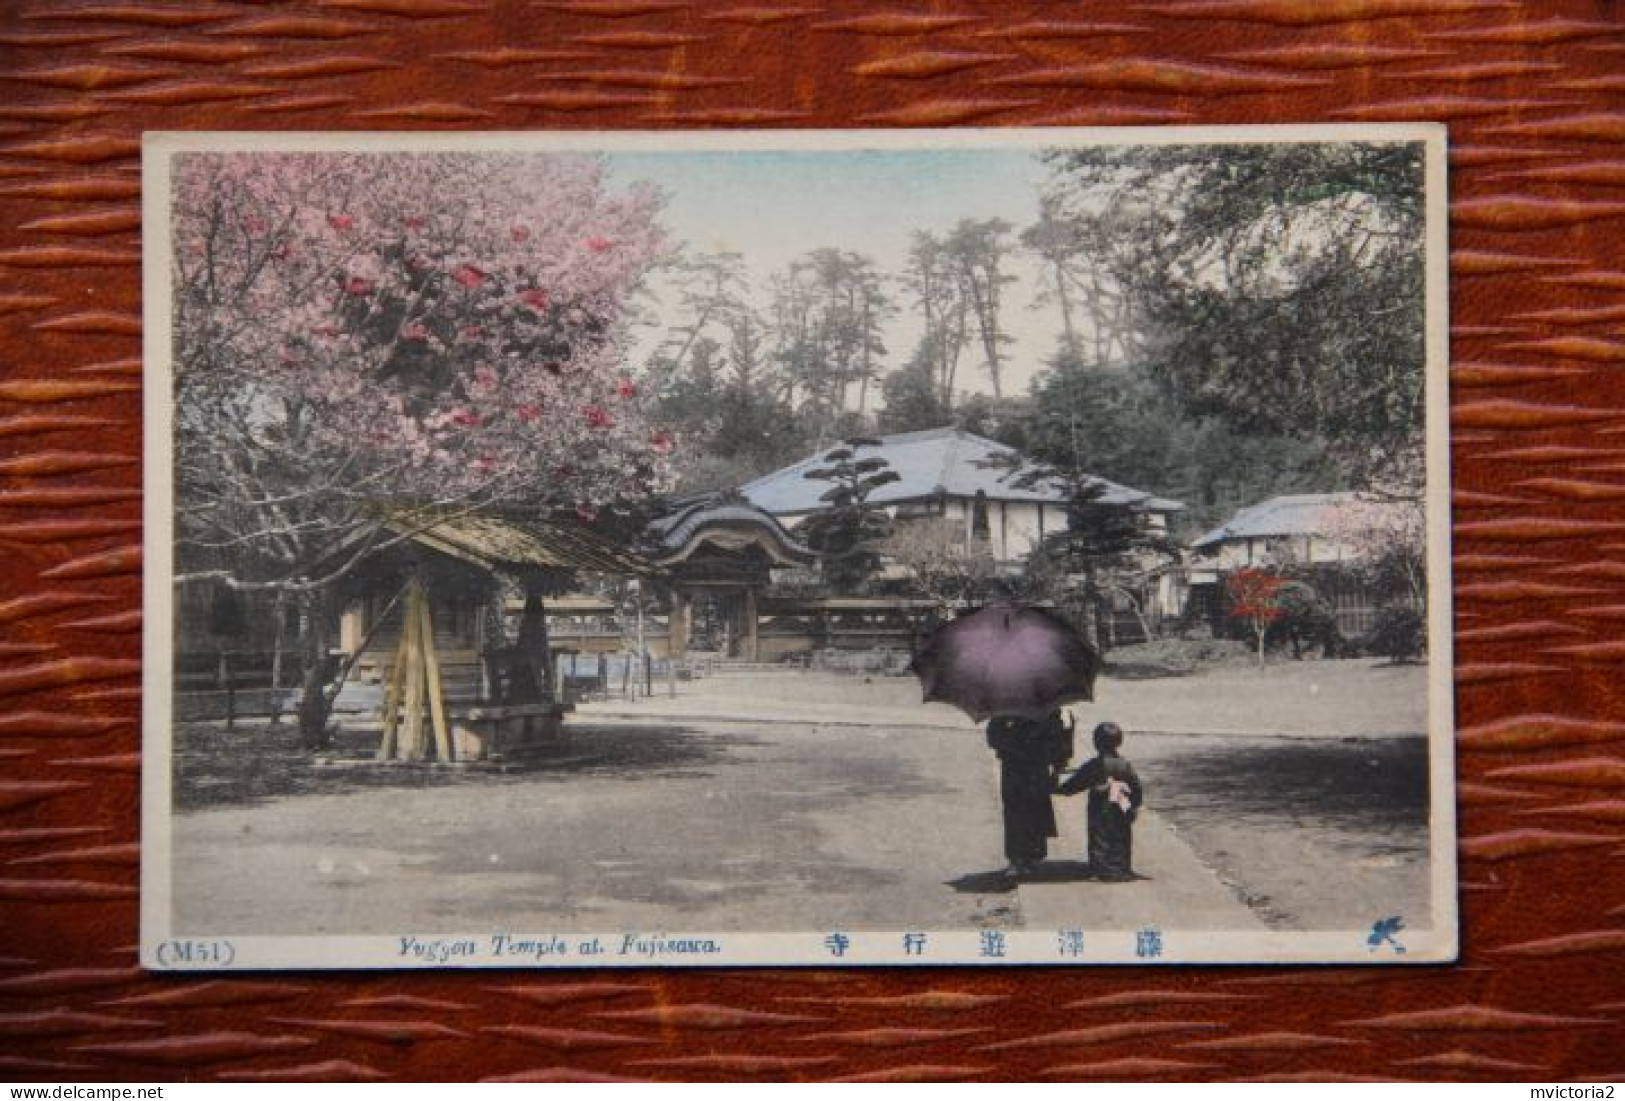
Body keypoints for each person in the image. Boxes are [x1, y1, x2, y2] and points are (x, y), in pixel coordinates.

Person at [986, 709, 1074, 879]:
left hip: (1027, 767)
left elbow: (993, 738)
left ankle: (1026, 858)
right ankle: (1021, 859)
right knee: (1021, 809)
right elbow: (994, 737)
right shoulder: (1044, 706)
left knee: (1028, 809)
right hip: (1020, 767)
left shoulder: (1007, 706)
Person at [1058, 721, 1144, 881]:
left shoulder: (1095, 765)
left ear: (1096, 743)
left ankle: (1101, 867)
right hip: (1121, 804)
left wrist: (1060, 789)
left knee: (1099, 835)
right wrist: (1134, 804)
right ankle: (1121, 866)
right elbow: (1136, 787)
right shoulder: (1125, 765)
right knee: (1121, 835)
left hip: (1100, 806)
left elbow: (1077, 782)